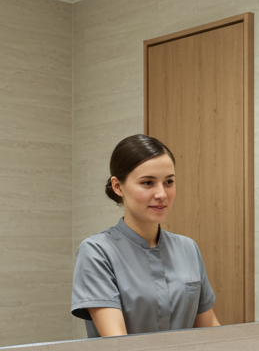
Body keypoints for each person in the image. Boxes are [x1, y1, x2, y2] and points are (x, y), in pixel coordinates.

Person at [71, 134, 221, 337]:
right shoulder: (97, 252)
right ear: (118, 186)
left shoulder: (188, 248)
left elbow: (211, 330)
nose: (162, 194)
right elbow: (117, 344)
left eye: (168, 181)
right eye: (148, 183)